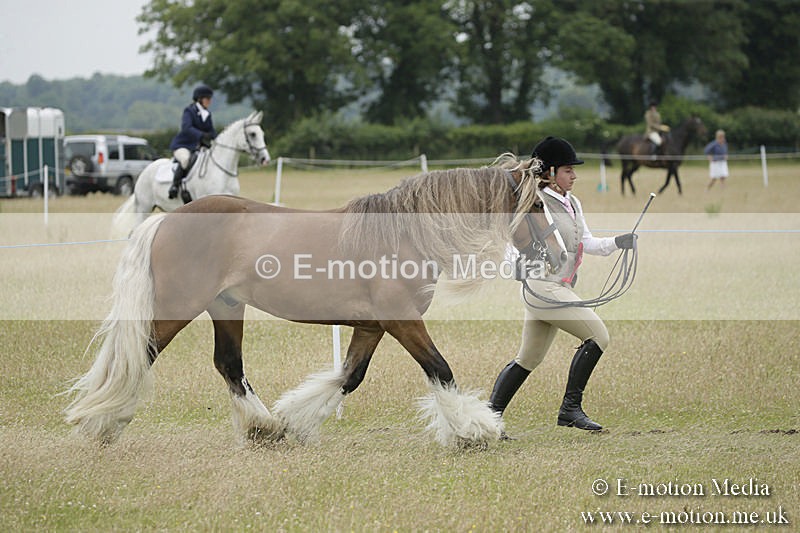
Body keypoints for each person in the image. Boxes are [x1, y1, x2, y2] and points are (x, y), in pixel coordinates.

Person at [489, 136, 636, 434]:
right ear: (550, 172)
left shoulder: (572, 202)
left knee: (527, 359)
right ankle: (570, 409)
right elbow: (510, 243)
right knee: (598, 336)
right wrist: (515, 266)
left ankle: (487, 419)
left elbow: (585, 242)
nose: (574, 175)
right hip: (543, 288)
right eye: (568, 170)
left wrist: (618, 242)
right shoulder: (535, 202)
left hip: (559, 288)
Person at [168, 84, 218, 199]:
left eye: (210, 99)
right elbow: (187, 128)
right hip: (183, 145)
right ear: (200, 99)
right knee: (185, 160)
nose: (209, 101)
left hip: (198, 148)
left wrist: (219, 139)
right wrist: (202, 135)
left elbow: (212, 131)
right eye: (207, 99)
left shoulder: (207, 114)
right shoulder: (189, 111)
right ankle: (175, 186)